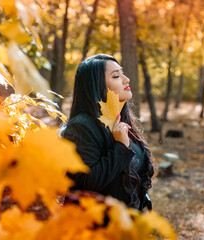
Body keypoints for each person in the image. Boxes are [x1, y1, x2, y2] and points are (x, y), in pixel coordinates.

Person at [61, 54, 154, 211]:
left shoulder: (121, 121)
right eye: (116, 76)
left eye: (122, 73)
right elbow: (84, 185)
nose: (126, 79)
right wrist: (120, 148)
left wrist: (144, 202)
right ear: (97, 86)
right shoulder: (81, 127)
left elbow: (136, 174)